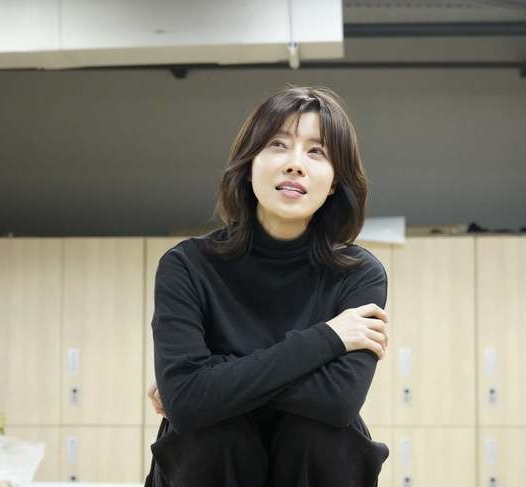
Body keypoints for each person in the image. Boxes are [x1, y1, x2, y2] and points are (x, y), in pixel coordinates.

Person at [144, 85, 390, 487]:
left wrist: (211, 380)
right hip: (210, 465)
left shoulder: (359, 274)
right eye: (278, 144)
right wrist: (326, 339)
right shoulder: (186, 266)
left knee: (318, 431)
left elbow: (338, 402)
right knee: (216, 431)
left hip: (316, 466)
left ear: (334, 182)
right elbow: (187, 403)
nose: (295, 164)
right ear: (249, 164)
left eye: (317, 151)